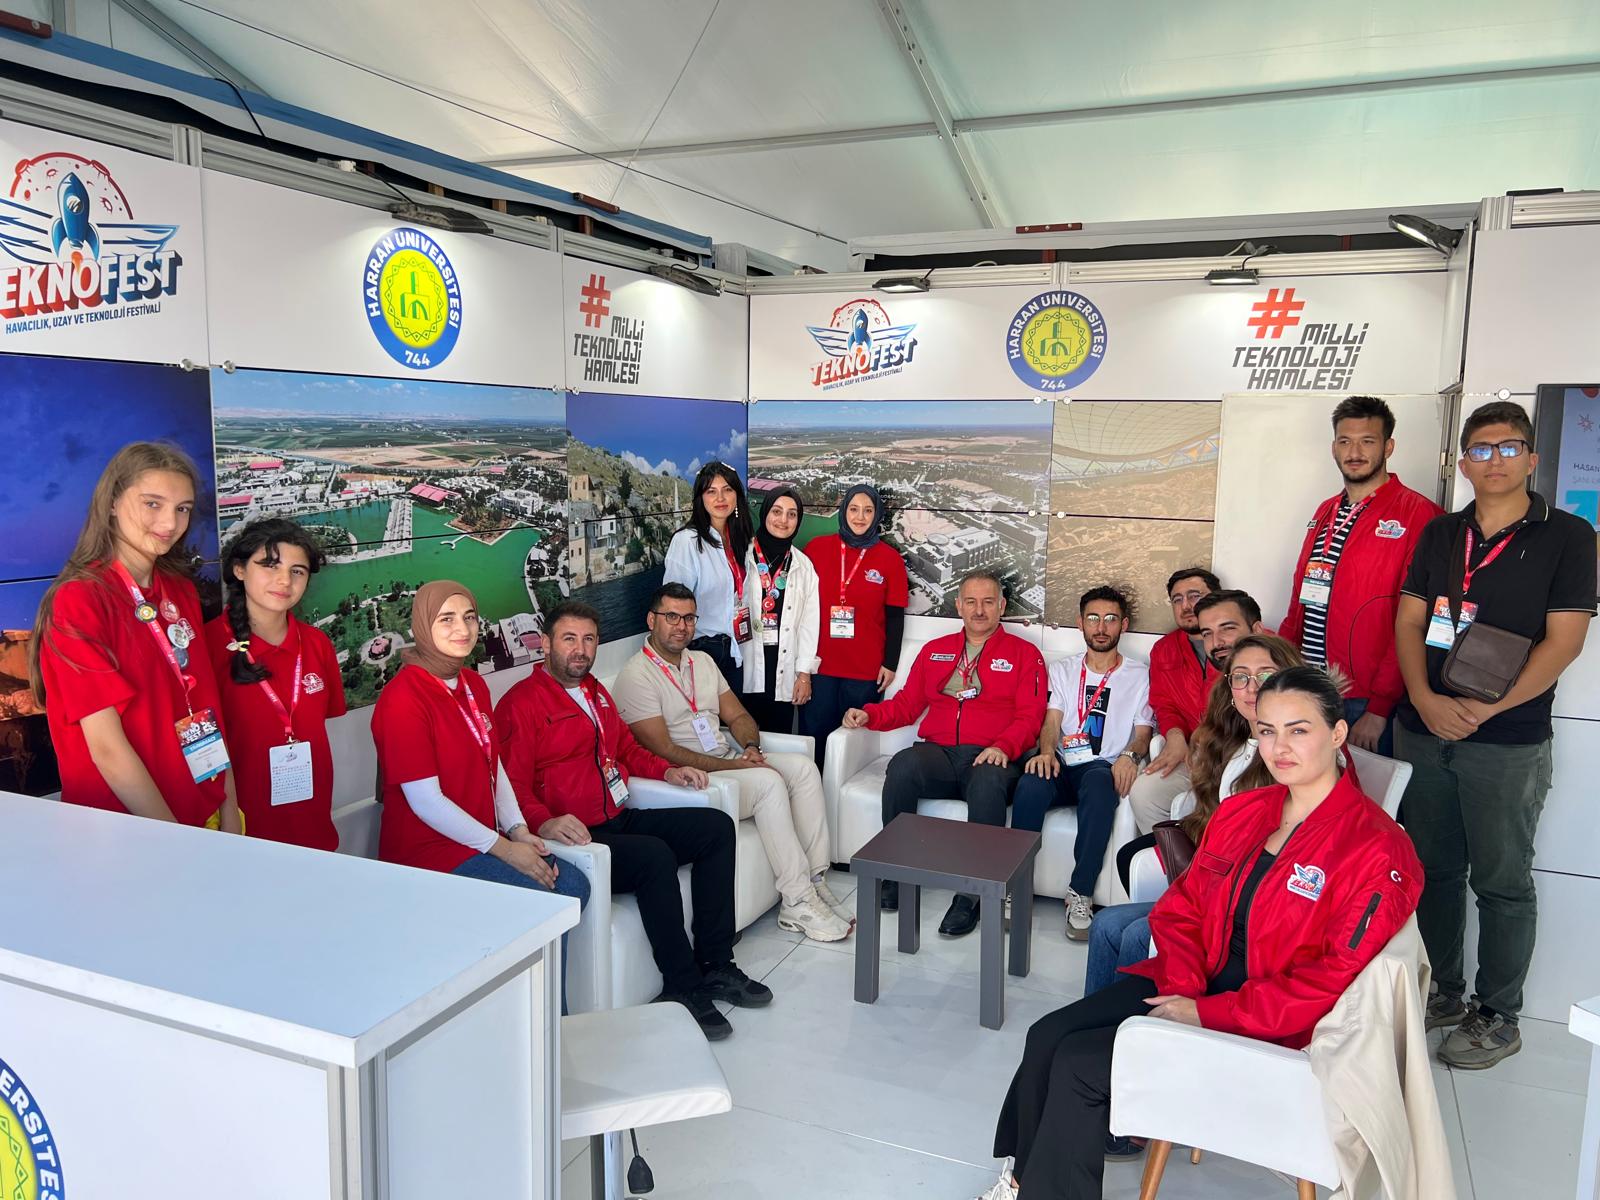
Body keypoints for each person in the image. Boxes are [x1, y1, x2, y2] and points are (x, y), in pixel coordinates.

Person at [977, 667, 1423, 1200]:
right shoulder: (1244, 811)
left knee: (1080, 1065)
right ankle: (1023, 1181)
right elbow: (1183, 907)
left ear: (1338, 733)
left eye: (1299, 730)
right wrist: (1186, 988)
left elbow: (1329, 983)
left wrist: (1206, 1013)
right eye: (1267, 730)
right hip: (1195, 982)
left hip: (1272, 1026)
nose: (1280, 747)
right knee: (1047, 1034)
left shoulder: (1377, 847)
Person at [1394, 400, 1596, 1069]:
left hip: (1506, 739)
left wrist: (1481, 711)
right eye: (1481, 449)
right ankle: (1443, 992)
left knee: (1503, 881)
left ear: (1532, 458)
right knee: (1432, 872)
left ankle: (1499, 1014)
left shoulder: (1570, 536)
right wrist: (1423, 698)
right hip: (1424, 730)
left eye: (1509, 448)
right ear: (1464, 463)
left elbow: (1564, 643)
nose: (1495, 460)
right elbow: (1409, 620)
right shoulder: (1440, 533)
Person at [495, 600, 771, 1040]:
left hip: (617, 816)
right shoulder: (520, 704)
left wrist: (668, 771)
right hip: (576, 838)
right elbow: (510, 786)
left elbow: (625, 750)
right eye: (569, 639)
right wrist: (543, 822)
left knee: (715, 828)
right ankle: (682, 985)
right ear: (545, 644)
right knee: (653, 856)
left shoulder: (595, 693)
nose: (580, 650)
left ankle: (716, 963)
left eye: (589, 639)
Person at [370, 581, 589, 1009]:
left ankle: (549, 1017)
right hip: (429, 856)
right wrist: (506, 850)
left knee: (574, 884)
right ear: (423, 625)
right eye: (446, 619)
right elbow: (426, 802)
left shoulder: (472, 684)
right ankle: (540, 1023)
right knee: (544, 900)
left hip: (479, 840)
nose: (463, 628)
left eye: (469, 617)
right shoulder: (403, 699)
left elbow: (495, 766)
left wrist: (518, 829)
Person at [614, 583, 850, 943]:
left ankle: (815, 880)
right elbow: (664, 751)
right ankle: (797, 900)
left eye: (689, 618)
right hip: (690, 781)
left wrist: (751, 747)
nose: (681, 626)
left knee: (803, 768)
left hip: (726, 761)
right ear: (652, 620)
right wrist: (739, 768)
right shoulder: (636, 675)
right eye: (671, 617)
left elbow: (738, 716)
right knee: (769, 783)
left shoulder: (702, 662)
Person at [1086, 633, 1306, 1016]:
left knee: (1138, 934)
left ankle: (1134, 1031)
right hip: (1215, 892)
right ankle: (1101, 1026)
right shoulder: (1237, 745)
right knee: (1105, 923)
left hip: (1251, 912)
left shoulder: (1299, 756)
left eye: (1266, 675)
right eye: (1241, 677)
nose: (1252, 688)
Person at [30, 441, 240, 831]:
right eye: (152, 504)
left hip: (202, 813)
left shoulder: (181, 590)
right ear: (112, 502)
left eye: (182, 509)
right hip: (129, 832)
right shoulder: (79, 600)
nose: (170, 523)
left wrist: (229, 805)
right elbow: (107, 750)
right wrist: (174, 839)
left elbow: (204, 708)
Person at [843, 569, 1046, 938]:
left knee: (987, 781)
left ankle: (972, 894)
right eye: (971, 602)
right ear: (959, 606)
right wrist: (869, 715)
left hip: (991, 757)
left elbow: (1030, 717)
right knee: (904, 764)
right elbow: (906, 706)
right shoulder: (934, 650)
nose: (979, 610)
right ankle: (896, 874)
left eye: (988, 602)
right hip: (940, 753)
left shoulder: (1025, 654)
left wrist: (1002, 747)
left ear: (1002, 606)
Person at [1279, 395, 1442, 754]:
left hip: (1365, 700)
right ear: (1333, 447)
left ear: (1388, 447)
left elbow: (1416, 618)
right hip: (1309, 687)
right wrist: (1281, 664)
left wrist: (1380, 707)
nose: (1354, 452)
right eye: (1345, 441)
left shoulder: (1419, 514)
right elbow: (1301, 595)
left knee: (1362, 788)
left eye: (1367, 441)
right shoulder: (1326, 510)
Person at [1015, 586, 1153, 941]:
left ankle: (1080, 893)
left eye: (1110, 619)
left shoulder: (1139, 675)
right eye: (1093, 618)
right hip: (1062, 762)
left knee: (1099, 784)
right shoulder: (1064, 669)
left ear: (1124, 625)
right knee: (1030, 783)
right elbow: (1052, 721)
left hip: (1101, 766)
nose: (1101, 627)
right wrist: (1046, 752)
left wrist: (1130, 756)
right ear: (1080, 623)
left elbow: (1143, 733)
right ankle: (1016, 886)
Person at [204, 518, 347, 850]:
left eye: (297, 571)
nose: (285, 580)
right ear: (239, 569)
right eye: (270, 565)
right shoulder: (207, 647)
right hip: (239, 834)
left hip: (313, 825)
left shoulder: (317, 644)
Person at [800, 483, 909, 768]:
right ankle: (811, 792)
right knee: (815, 737)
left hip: (865, 668)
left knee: (852, 743)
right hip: (820, 664)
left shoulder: (890, 559)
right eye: (854, 509)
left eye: (868, 510)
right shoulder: (816, 548)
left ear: (877, 515)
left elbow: (895, 616)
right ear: (843, 511)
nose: (860, 517)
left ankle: (842, 796)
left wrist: (890, 663)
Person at [1125, 567, 1219, 835]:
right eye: (1177, 599)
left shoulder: (1247, 643)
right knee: (1145, 793)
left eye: (1194, 596)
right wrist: (1175, 736)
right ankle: (1171, 859)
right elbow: (1164, 704)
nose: (1186, 606)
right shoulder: (1165, 649)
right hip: (1190, 756)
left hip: (1240, 755)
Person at [663, 461, 754, 694]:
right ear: (700, 498)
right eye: (711, 491)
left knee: (737, 715)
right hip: (702, 650)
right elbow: (672, 607)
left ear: (737, 495)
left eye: (727, 490)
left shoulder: (742, 539)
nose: (720, 498)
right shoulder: (687, 541)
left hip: (737, 648)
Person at [740, 485, 820, 735]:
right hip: (743, 666)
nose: (783, 520)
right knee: (739, 741)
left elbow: (809, 624)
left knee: (779, 742)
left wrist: (804, 675)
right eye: (777, 511)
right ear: (765, 513)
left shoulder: (803, 566)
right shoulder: (742, 555)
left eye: (791, 514)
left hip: (782, 670)